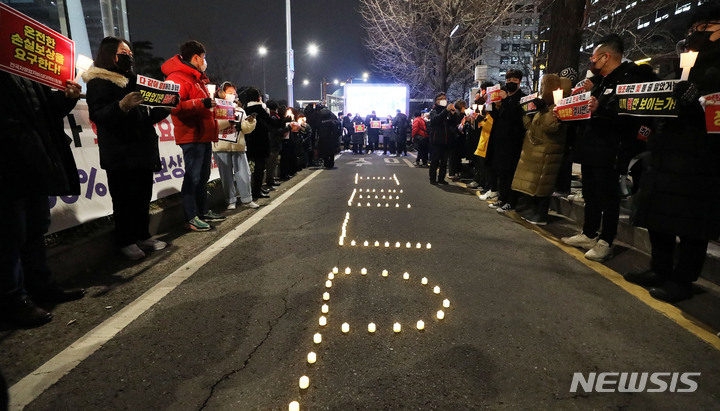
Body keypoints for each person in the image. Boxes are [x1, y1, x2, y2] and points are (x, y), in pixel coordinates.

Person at [625, 4, 720, 302]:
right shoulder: (688, 62)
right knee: (659, 216)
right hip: (667, 150)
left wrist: (700, 99)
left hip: (700, 156)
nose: (696, 33)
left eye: (704, 27)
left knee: (691, 223)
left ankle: (683, 279)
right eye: (695, 28)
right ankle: (660, 267)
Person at [560, 34, 656, 261]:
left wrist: (600, 109)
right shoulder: (601, 82)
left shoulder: (631, 79)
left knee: (607, 195)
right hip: (592, 145)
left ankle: (606, 241)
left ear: (606, 56)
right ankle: (589, 233)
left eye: (594, 58)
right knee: (590, 191)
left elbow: (631, 115)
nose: (591, 62)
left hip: (612, 147)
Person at [0, 71, 85, 327]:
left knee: (36, 227)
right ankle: (12, 301)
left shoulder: (27, 69)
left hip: (35, 161)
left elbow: (46, 112)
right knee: (9, 236)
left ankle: (41, 287)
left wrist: (68, 98)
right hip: (7, 164)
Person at [84, 37, 170, 260]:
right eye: (124, 52)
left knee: (142, 197)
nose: (129, 56)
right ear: (110, 54)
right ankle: (125, 240)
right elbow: (99, 114)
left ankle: (142, 235)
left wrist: (167, 106)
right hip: (120, 152)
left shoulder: (132, 80)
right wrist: (121, 106)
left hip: (141, 150)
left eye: (130, 53)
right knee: (124, 200)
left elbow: (144, 117)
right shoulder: (98, 81)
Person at [161, 40, 225, 231]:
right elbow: (175, 106)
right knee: (193, 177)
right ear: (196, 57)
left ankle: (203, 211)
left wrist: (208, 104)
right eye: (204, 57)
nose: (205, 61)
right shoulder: (177, 78)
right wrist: (202, 103)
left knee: (202, 176)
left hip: (203, 135)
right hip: (191, 135)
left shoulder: (196, 78)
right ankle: (191, 216)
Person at [511, 74, 571, 225]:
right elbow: (531, 128)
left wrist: (544, 110)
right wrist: (526, 113)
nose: (542, 90)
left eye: (544, 87)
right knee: (533, 183)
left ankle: (540, 215)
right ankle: (530, 210)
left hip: (548, 152)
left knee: (543, 184)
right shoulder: (545, 108)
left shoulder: (559, 106)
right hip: (536, 150)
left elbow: (551, 127)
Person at [211, 82, 259, 210]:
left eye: (233, 93)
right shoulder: (215, 108)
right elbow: (214, 126)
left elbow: (246, 129)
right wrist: (228, 121)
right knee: (226, 175)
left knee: (244, 173)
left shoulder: (239, 109)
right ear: (221, 93)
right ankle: (230, 200)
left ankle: (247, 198)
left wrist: (250, 122)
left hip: (238, 145)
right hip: (221, 146)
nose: (232, 95)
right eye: (229, 92)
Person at [486, 69, 527, 213]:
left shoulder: (522, 98)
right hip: (500, 141)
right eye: (508, 80)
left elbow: (515, 117)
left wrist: (505, 100)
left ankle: (511, 201)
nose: (510, 83)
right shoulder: (505, 100)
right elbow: (499, 119)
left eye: (514, 81)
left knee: (510, 173)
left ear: (519, 82)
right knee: (501, 172)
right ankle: (502, 198)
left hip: (513, 142)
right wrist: (491, 106)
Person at [243, 87, 273, 200]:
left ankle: (256, 189)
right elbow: (269, 121)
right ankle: (257, 190)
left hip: (250, 140)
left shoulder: (245, 108)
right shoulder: (258, 108)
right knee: (260, 167)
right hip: (260, 141)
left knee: (255, 167)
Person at [428, 92, 459, 185]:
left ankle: (441, 178)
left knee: (444, 161)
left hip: (447, 141)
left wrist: (453, 114)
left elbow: (454, 123)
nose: (443, 100)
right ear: (437, 101)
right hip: (436, 140)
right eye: (441, 98)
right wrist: (445, 111)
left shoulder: (448, 112)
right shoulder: (434, 111)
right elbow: (435, 120)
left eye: (444, 98)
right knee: (435, 160)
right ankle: (432, 179)